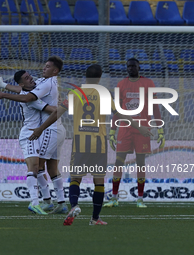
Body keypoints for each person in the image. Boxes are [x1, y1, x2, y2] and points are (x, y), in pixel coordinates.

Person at [28, 64, 152, 226]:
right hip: (98, 143)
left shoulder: (74, 93)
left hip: (80, 142)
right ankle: (95, 218)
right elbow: (120, 114)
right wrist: (140, 127)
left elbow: (57, 113)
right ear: (100, 77)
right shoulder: (104, 94)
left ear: (85, 77)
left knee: (76, 179)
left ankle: (74, 206)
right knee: (99, 181)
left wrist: (40, 128)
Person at [0, 56, 68, 214]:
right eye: (27, 78)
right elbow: (24, 92)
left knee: (38, 167)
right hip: (46, 131)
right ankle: (56, 202)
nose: (42, 70)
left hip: (46, 130)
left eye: (47, 66)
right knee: (49, 168)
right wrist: (3, 85)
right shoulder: (39, 87)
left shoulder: (41, 88)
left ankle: (43, 201)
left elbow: (26, 95)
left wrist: (3, 92)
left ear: (55, 71)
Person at [104, 58, 165, 208]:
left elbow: (155, 108)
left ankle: (139, 198)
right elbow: (116, 111)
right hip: (125, 129)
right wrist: (112, 130)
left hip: (143, 129)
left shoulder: (148, 84)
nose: (130, 68)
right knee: (119, 162)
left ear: (139, 67)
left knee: (141, 163)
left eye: (133, 66)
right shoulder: (121, 84)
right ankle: (114, 198)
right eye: (128, 66)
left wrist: (160, 128)